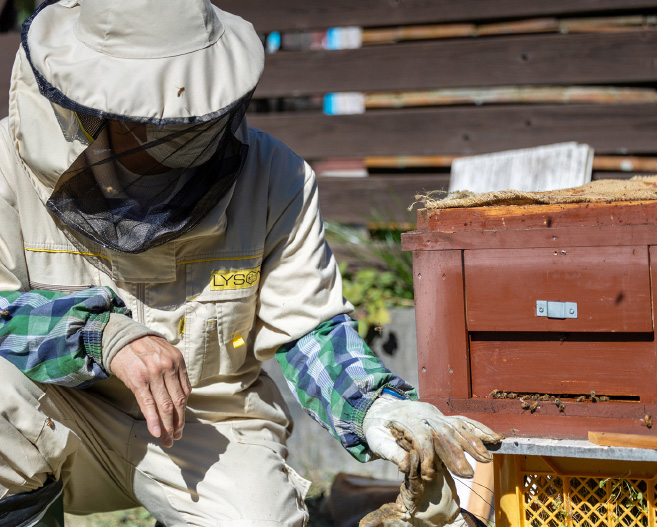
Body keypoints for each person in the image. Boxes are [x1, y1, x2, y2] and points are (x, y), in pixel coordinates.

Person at [0, 1, 502, 526]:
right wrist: (99, 333)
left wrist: (374, 405)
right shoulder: (8, 167)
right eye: (167, 122)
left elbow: (308, 328)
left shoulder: (277, 176)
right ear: (91, 107)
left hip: (208, 430)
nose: (193, 129)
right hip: (58, 418)